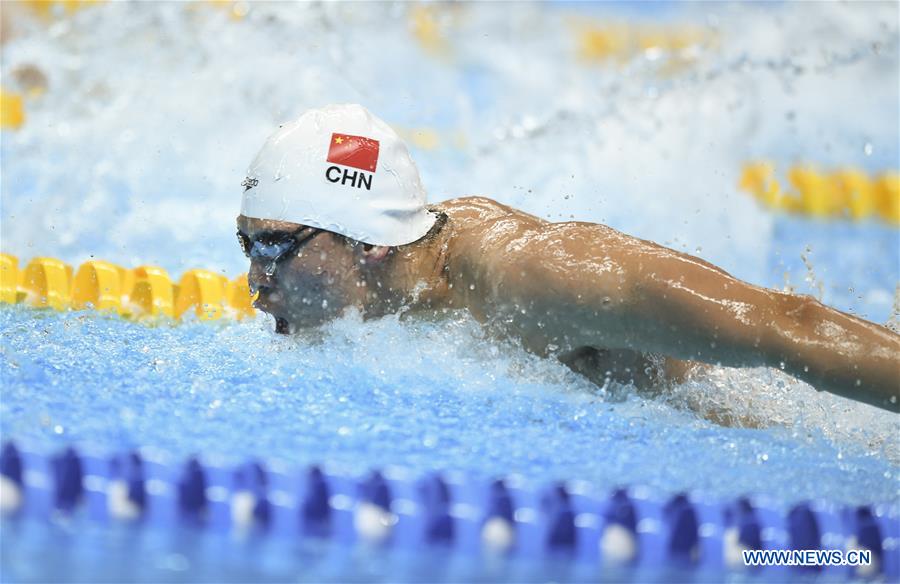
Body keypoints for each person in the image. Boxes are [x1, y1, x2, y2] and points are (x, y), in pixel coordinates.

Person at [237, 104, 900, 414]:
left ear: (368, 242)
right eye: (248, 245)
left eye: (274, 248)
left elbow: (792, 326)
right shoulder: (397, 282)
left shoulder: (534, 277)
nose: (254, 284)